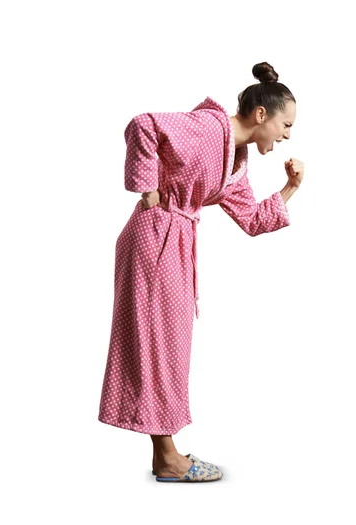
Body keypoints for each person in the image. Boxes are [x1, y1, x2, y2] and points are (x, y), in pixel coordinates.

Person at [98, 62, 304, 483]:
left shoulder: (236, 159)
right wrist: (151, 192)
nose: (287, 135)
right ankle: (169, 458)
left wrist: (290, 189)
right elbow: (143, 126)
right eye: (286, 124)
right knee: (158, 343)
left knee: (169, 345)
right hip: (156, 234)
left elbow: (252, 220)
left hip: (173, 240)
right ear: (261, 114)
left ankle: (164, 454)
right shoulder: (210, 129)